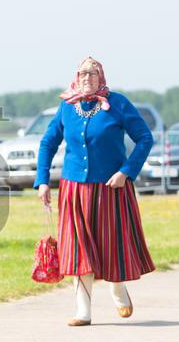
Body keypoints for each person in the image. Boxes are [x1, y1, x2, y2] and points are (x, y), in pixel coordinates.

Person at [35, 56, 155, 326]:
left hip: (112, 188)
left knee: (111, 245)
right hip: (74, 190)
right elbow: (48, 143)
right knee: (78, 248)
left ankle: (118, 288)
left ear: (101, 77)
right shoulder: (67, 106)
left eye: (92, 73)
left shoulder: (118, 103)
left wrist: (126, 172)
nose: (86, 78)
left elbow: (145, 138)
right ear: (76, 78)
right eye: (82, 73)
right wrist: (42, 180)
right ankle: (83, 311)